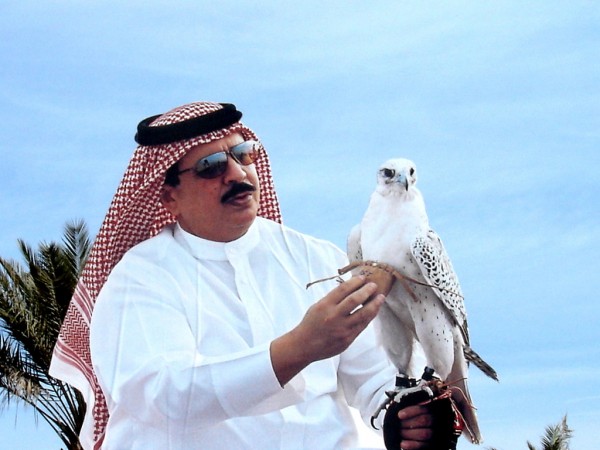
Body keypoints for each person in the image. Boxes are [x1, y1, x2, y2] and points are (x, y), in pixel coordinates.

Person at [51, 102, 437, 449]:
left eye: (242, 155)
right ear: (169, 196)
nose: (237, 173)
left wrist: (404, 415)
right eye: (210, 167)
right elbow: (164, 394)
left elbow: (373, 377)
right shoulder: (140, 277)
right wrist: (299, 347)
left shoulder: (316, 259)